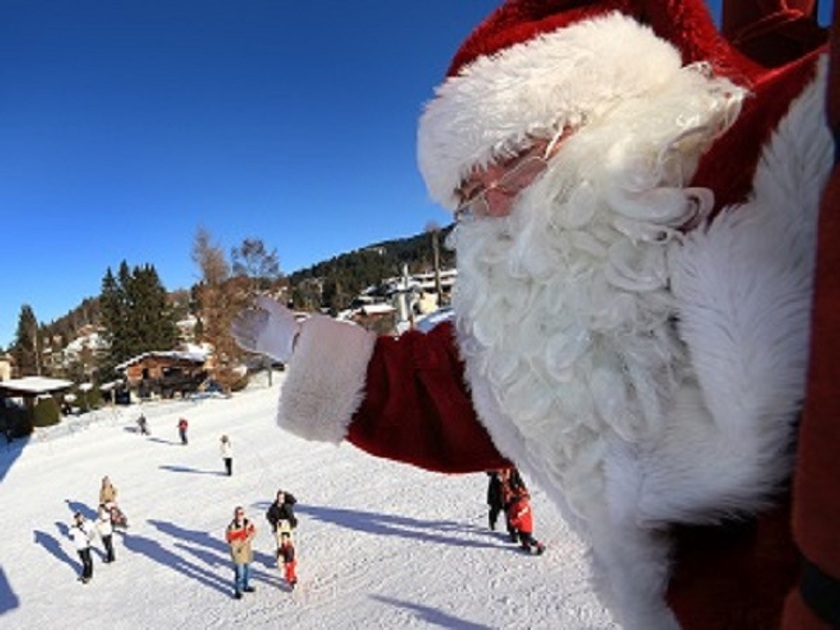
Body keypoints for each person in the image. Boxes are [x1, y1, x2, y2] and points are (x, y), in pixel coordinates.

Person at [232, 1, 832, 628]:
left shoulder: (767, 176)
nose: (497, 201)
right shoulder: (536, 316)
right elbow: (445, 388)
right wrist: (298, 344)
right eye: (469, 191)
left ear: (622, 119)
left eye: (521, 152)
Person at [225, 506, 256, 599]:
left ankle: (246, 586)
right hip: (238, 553)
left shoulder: (248, 523)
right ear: (235, 515)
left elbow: (253, 532)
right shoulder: (231, 527)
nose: (240, 515)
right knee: (240, 573)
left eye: (242, 513)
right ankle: (238, 590)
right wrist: (243, 538)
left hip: (247, 552)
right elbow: (230, 540)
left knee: (248, 571)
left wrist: (249, 537)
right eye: (238, 514)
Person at [507, 489, 546, 556]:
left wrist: (513, 521)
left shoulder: (522, 505)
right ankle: (525, 546)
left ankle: (540, 546)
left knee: (528, 538)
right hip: (521, 525)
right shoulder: (517, 503)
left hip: (525, 526)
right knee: (521, 536)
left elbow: (519, 516)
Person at [266, 489, 298, 556]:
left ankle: (291, 557)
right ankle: (281, 558)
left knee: (289, 542)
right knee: (280, 544)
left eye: (282, 497)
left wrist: (287, 495)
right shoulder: (274, 506)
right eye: (279, 497)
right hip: (278, 526)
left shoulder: (287, 505)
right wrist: (274, 523)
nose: (281, 499)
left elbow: (294, 501)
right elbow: (268, 515)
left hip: (287, 525)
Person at [70, 512, 95, 583]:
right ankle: (84, 574)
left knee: (87, 561)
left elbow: (91, 528)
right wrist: (75, 525)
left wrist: (84, 523)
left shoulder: (87, 523)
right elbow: (70, 533)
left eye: (80, 517)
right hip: (78, 546)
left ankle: (88, 576)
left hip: (85, 545)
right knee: (84, 561)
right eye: (77, 518)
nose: (79, 519)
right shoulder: (74, 526)